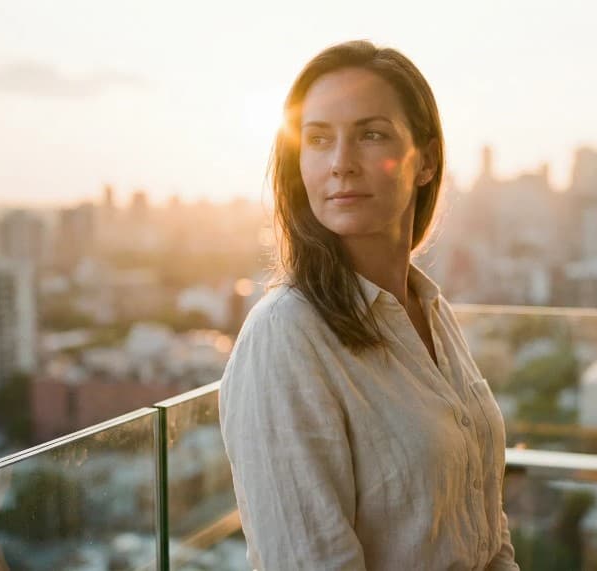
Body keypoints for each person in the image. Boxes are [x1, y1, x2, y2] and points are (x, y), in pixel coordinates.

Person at [218, 40, 520, 570]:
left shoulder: (429, 310)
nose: (341, 164)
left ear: (425, 160)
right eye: (318, 140)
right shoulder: (286, 335)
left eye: (371, 134)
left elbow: (487, 537)